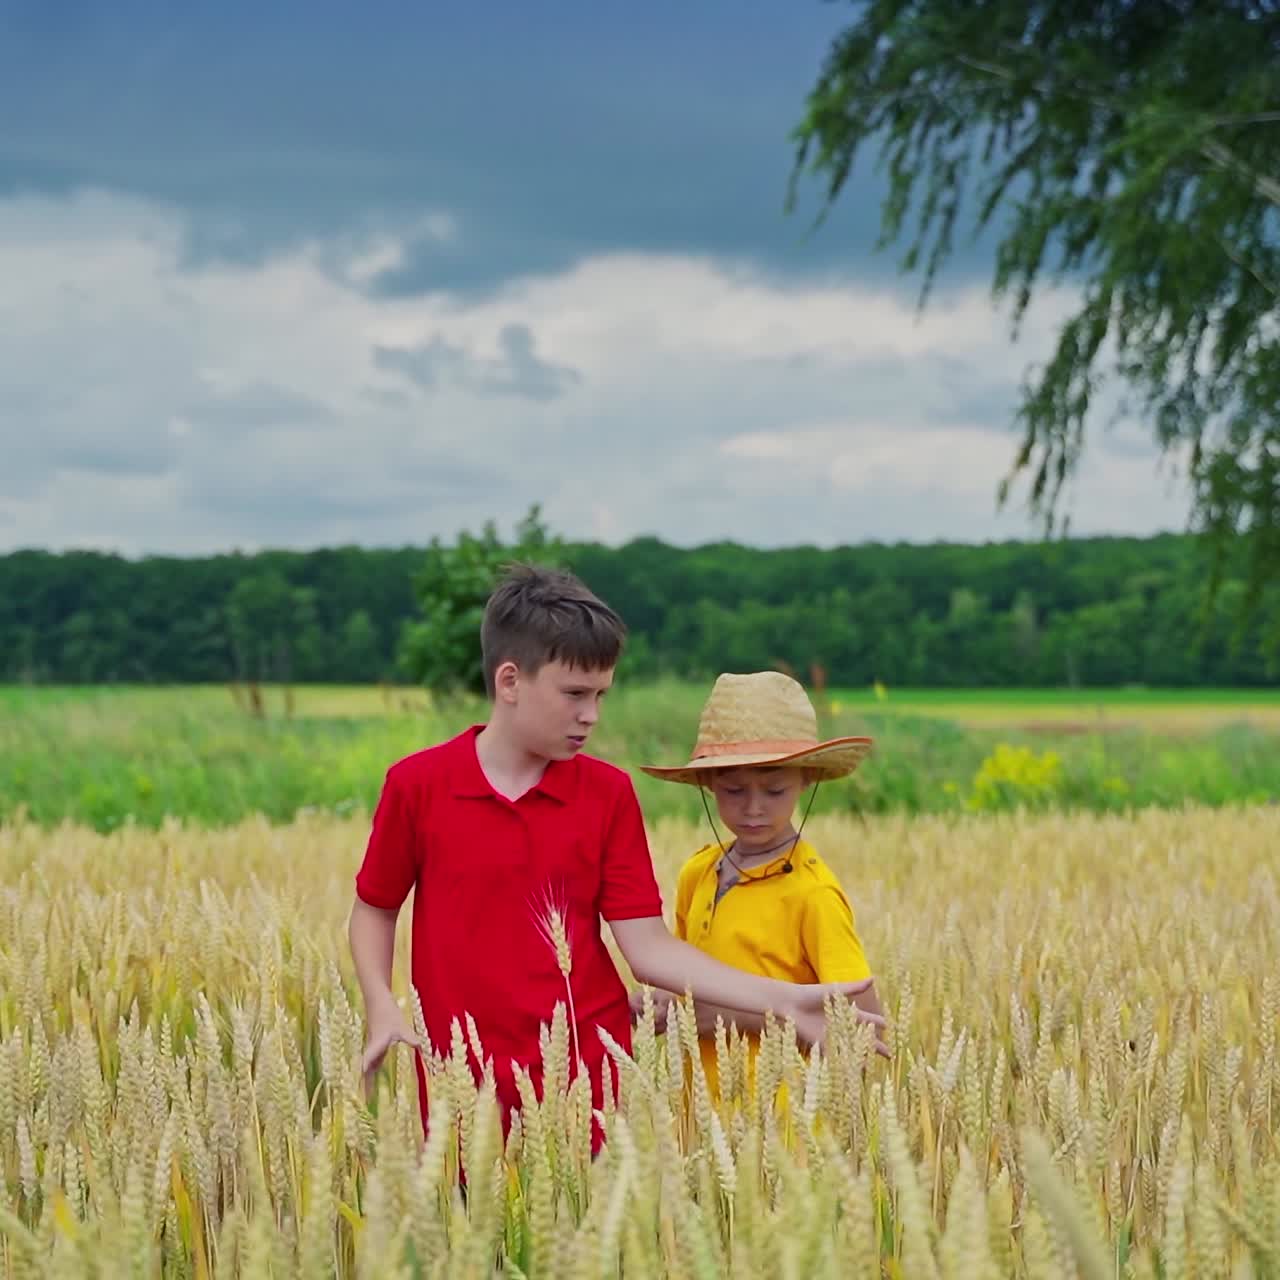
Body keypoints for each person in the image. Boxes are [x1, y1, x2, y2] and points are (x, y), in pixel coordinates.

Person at [348, 564, 883, 1148]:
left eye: (602, 695)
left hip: (587, 1074)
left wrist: (782, 1001)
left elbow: (648, 947)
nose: (592, 715)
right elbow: (375, 907)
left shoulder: (607, 794)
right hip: (458, 1076)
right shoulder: (418, 786)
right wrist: (380, 1002)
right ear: (510, 682)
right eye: (575, 694)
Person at [632, 669, 887, 1099]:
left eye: (774, 791)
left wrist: (725, 1016)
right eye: (734, 790)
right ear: (709, 784)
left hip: (783, 1127)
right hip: (699, 1114)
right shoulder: (699, 872)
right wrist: (655, 1003)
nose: (753, 808)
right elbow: (679, 975)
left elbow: (864, 1027)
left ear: (806, 780)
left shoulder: (812, 893)